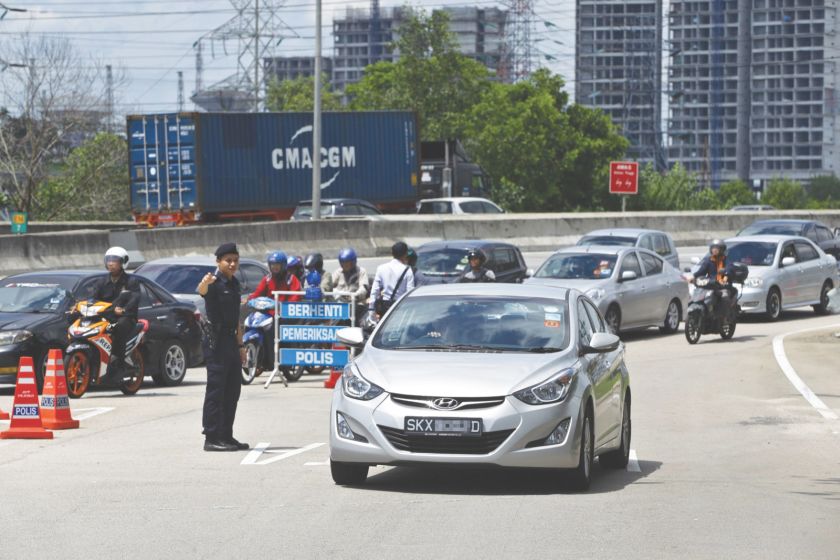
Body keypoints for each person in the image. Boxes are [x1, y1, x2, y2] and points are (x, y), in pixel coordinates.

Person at [197, 242, 248, 453]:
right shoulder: (213, 282)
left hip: (231, 342)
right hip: (216, 342)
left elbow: (236, 319)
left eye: (235, 260)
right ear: (218, 261)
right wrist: (204, 283)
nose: (232, 264)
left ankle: (226, 435)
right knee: (216, 391)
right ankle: (211, 437)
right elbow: (201, 291)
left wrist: (241, 345)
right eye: (228, 260)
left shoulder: (234, 284)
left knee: (232, 391)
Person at [92, 246, 140, 384]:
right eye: (108, 260)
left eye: (115, 261)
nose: (111, 263)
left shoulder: (131, 282)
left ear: (123, 262)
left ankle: (118, 361)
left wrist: (124, 310)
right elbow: (92, 299)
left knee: (119, 327)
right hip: (106, 316)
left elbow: (134, 300)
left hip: (125, 317)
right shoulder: (101, 282)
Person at [248, 251, 302, 370]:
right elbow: (257, 293)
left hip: (286, 314)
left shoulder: (291, 279)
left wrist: (283, 306)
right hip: (268, 314)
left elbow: (296, 297)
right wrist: (250, 299)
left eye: (277, 265)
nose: (274, 267)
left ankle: (282, 361)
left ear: (283, 265)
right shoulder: (267, 279)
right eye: (272, 265)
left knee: (276, 329)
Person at [370, 241, 415, 319]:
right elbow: (409, 293)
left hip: (384, 308)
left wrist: (371, 311)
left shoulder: (381, 268)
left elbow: (374, 292)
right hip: (400, 307)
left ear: (392, 253)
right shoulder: (408, 270)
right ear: (405, 254)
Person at [693, 239, 736, 317]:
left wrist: (725, 276)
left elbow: (730, 269)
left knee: (724, 296)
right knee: (699, 294)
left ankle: (724, 317)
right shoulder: (708, 261)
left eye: (717, 248)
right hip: (711, 285)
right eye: (713, 248)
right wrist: (693, 277)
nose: (714, 250)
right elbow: (701, 271)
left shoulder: (726, 260)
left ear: (722, 250)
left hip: (723, 286)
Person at [331, 247, 370, 320]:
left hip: (356, 303)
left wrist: (354, 296)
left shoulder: (361, 271)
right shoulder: (338, 272)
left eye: (347, 263)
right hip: (341, 304)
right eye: (343, 263)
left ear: (353, 262)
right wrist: (336, 292)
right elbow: (330, 286)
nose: (345, 265)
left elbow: (364, 288)